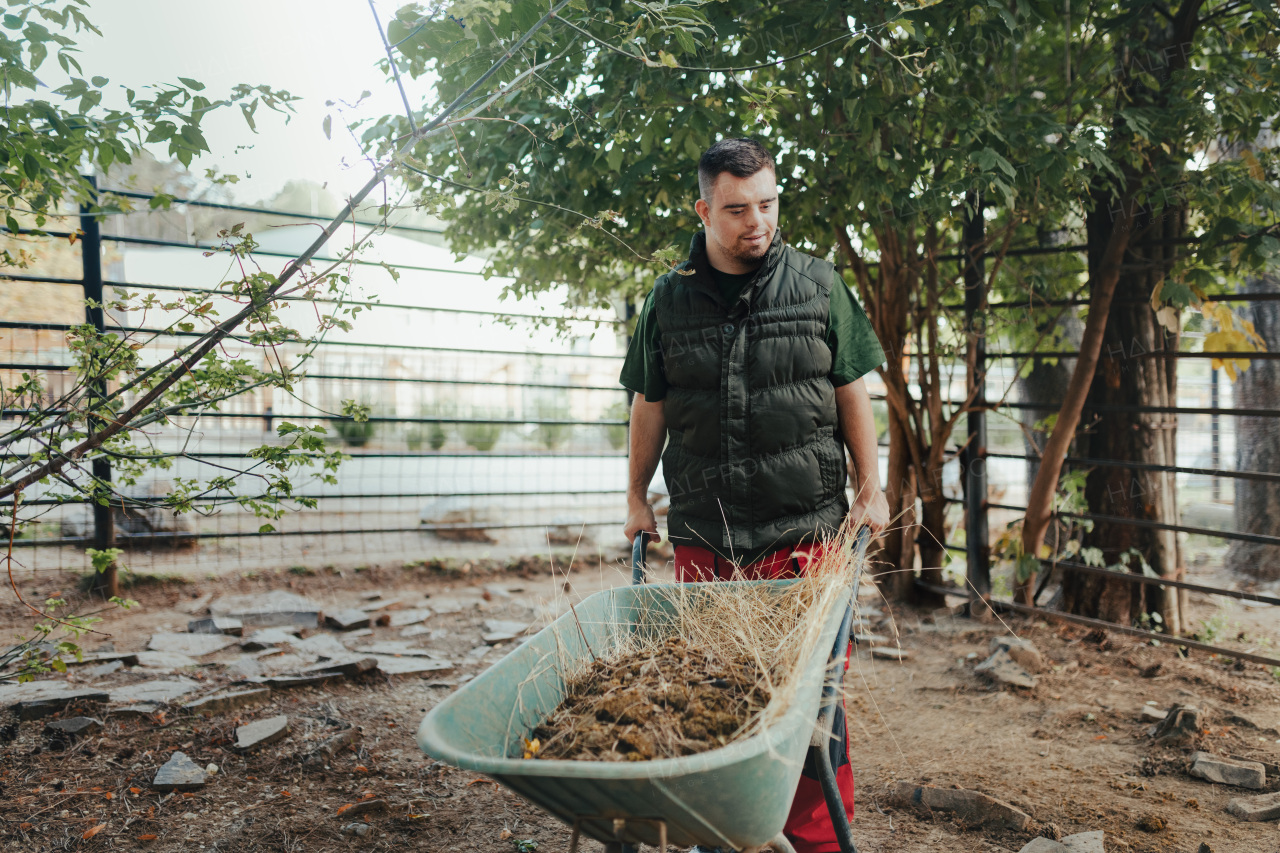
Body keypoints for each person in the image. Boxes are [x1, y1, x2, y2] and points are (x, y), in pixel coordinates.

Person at [619, 138, 889, 853]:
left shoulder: (817, 283)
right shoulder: (668, 299)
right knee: (714, 698)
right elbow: (650, 400)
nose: (757, 222)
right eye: (737, 209)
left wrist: (872, 487)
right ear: (703, 209)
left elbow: (850, 387)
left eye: (767, 204)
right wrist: (636, 497)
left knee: (808, 707)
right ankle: (728, 835)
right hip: (709, 538)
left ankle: (819, 840)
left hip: (804, 538)